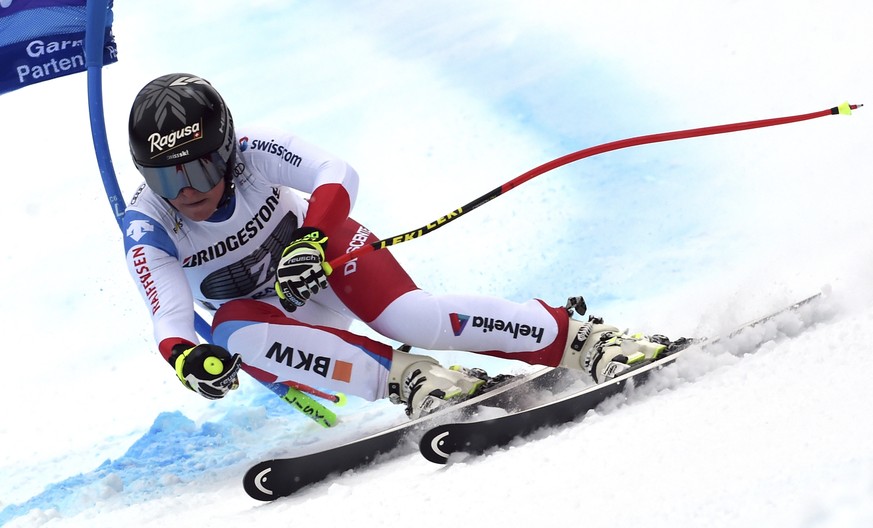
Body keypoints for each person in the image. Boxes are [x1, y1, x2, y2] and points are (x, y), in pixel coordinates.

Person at [122, 73, 674, 419]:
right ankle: (413, 379)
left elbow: (335, 171)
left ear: (224, 152)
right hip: (274, 319)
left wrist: (311, 239)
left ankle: (580, 339)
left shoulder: (252, 152)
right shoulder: (148, 224)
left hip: (323, 260)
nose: (186, 191)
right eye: (166, 179)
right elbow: (169, 315)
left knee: (410, 317)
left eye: (197, 168)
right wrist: (190, 360)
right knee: (230, 332)